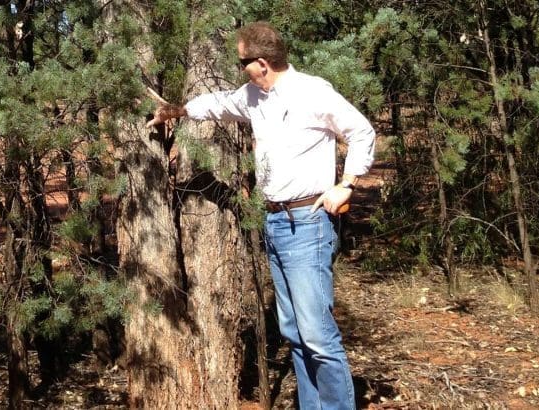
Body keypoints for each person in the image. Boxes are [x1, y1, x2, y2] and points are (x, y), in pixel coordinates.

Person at [146, 21, 375, 409]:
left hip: (308, 223)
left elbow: (362, 131)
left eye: (243, 63)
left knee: (318, 335)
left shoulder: (312, 91)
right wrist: (179, 111)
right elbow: (219, 103)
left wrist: (346, 185)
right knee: (295, 332)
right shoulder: (254, 96)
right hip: (275, 223)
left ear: (263, 63)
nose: (241, 70)